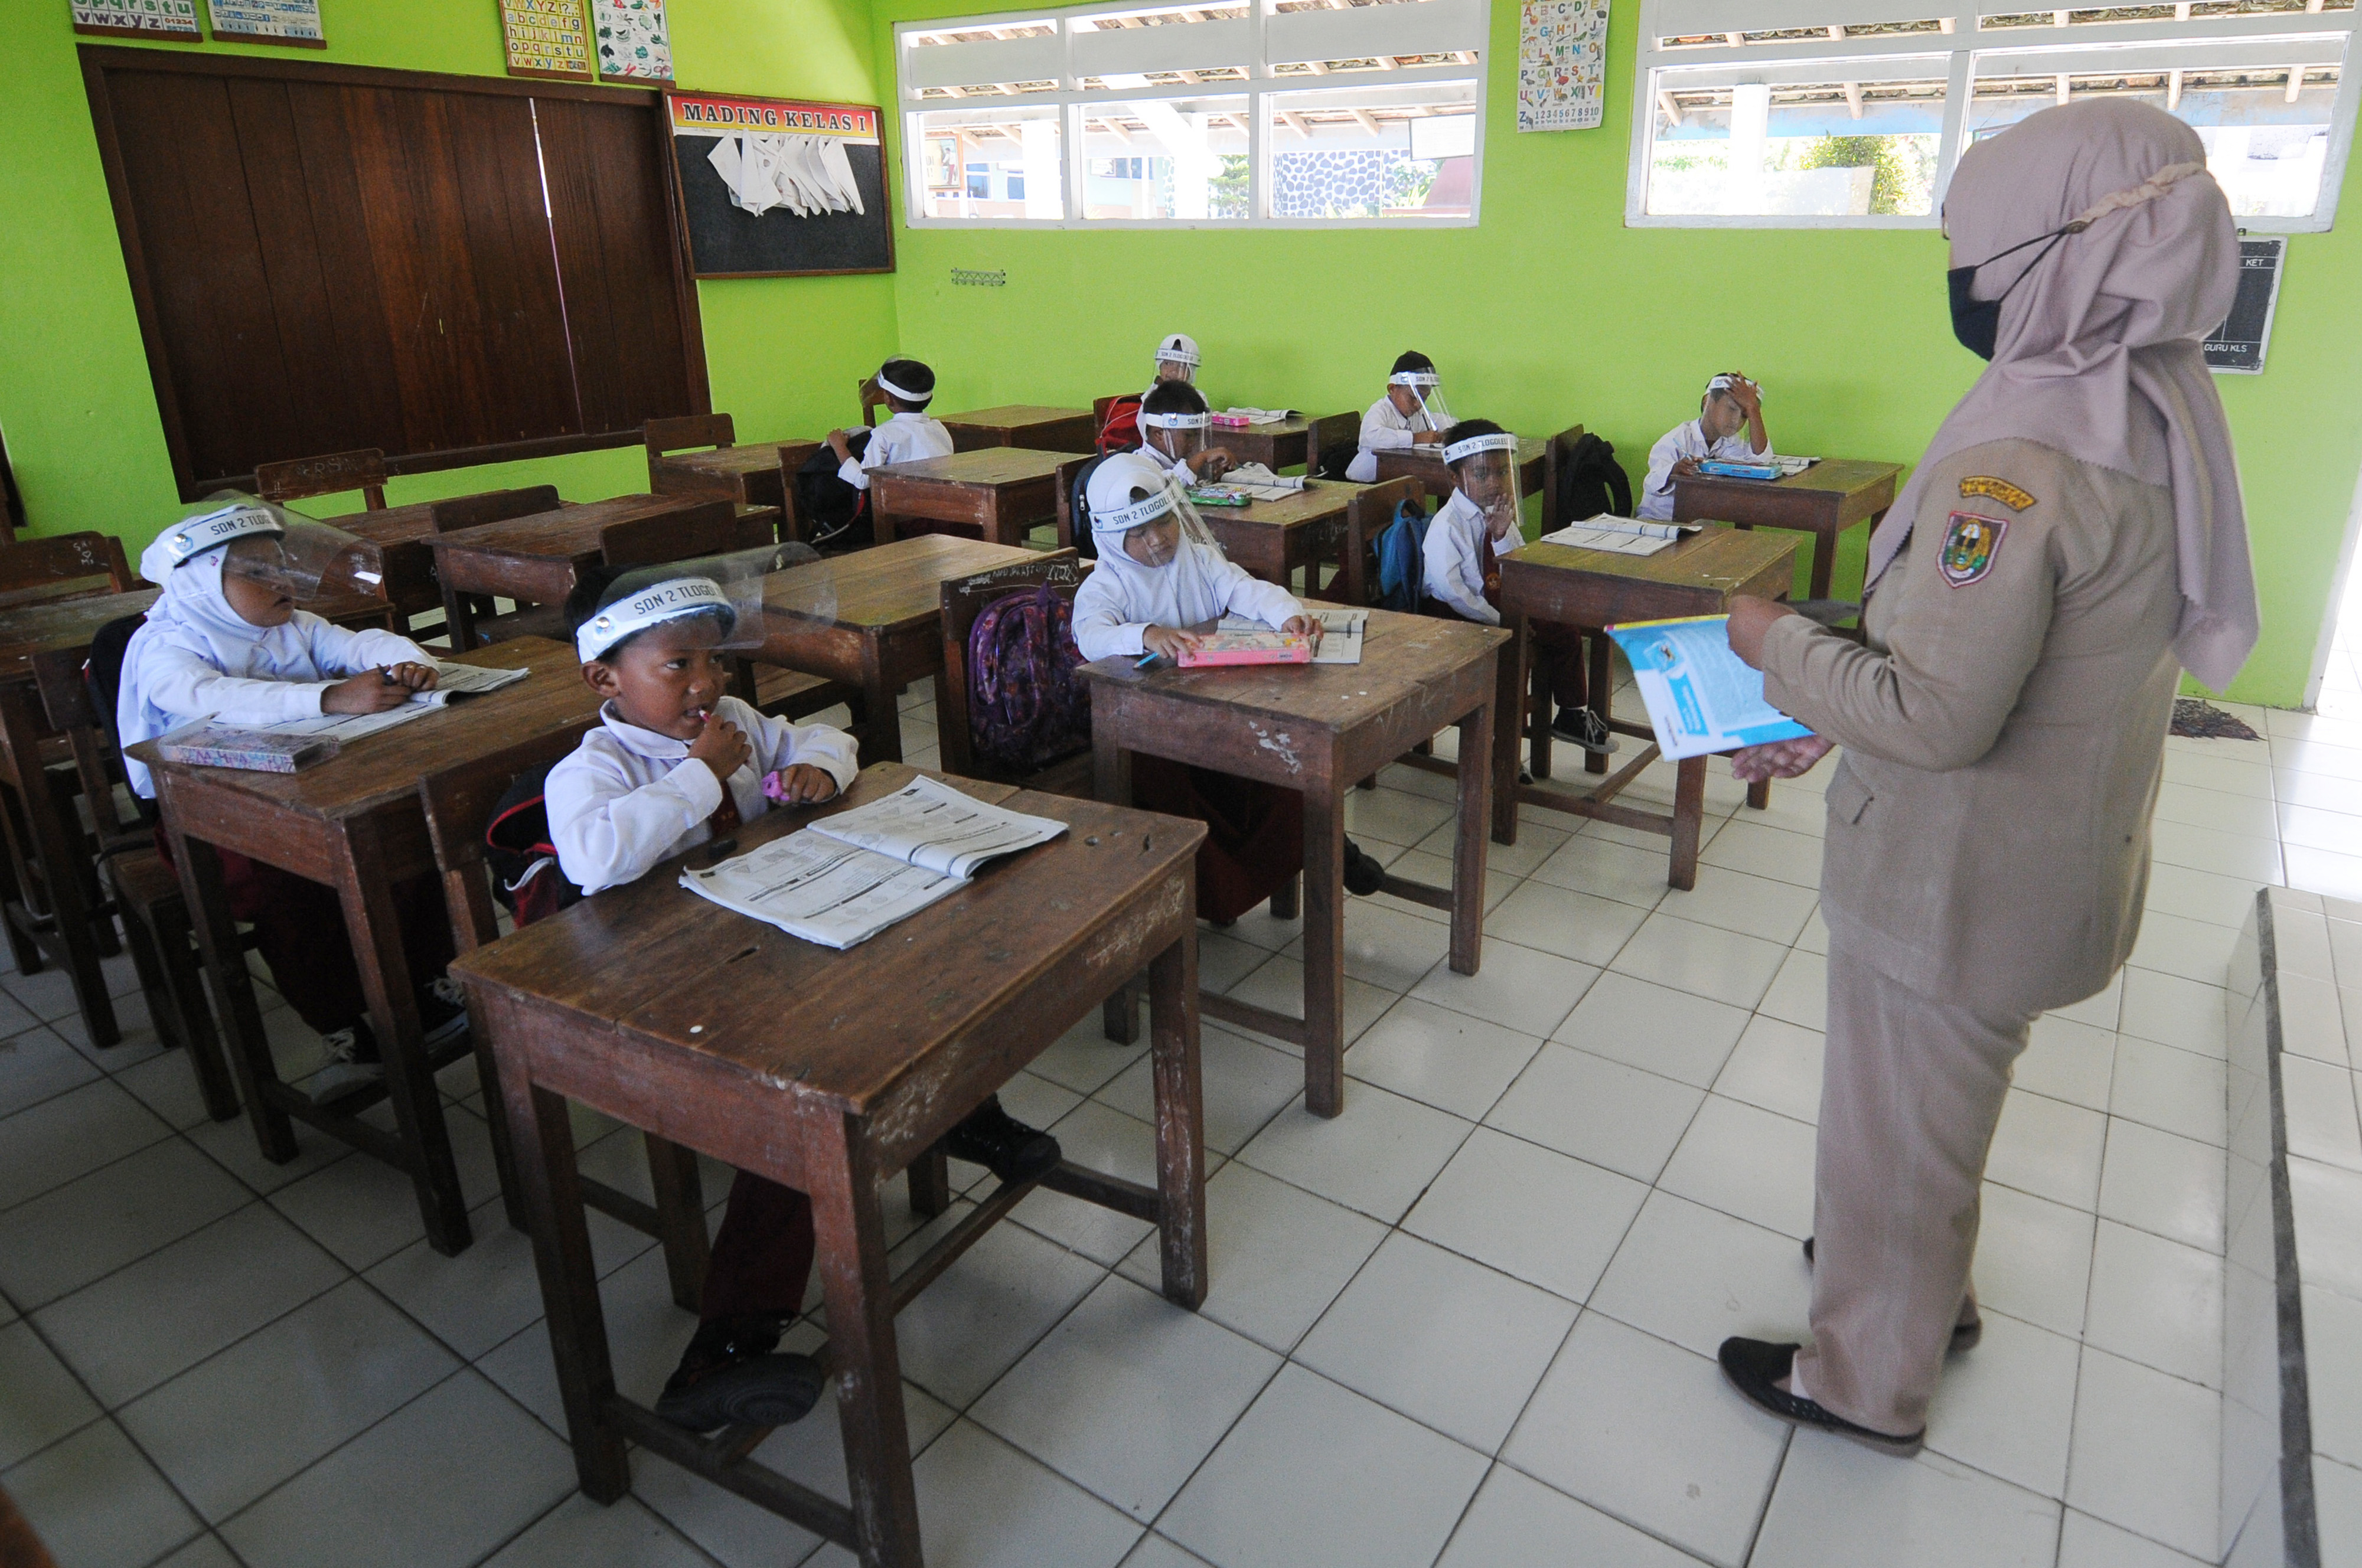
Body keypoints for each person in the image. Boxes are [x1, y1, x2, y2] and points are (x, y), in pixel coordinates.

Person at [1711, 99, 2255, 1456]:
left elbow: (1938, 710)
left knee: (1891, 1133)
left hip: (1951, 885)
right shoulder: (2149, 413)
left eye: (1970, 247)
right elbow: (2001, 661)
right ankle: (1923, 1295)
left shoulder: (2020, 463)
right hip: (2044, 867)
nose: (1957, 278)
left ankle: (1861, 1378)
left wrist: (1773, 643)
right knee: (1936, 1113)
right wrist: (1838, 689)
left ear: (2050, 253)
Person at [549, 555, 1066, 1432]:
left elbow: (824, 738)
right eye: (678, 666)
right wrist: (701, 776)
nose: (707, 683)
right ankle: (723, 1351)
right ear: (607, 676)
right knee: (794, 1114)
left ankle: (961, 1109)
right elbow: (594, 859)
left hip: (767, 940)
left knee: (915, 969)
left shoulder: (737, 718)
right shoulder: (595, 768)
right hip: (672, 991)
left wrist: (820, 772)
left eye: (713, 662)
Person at [118, 496, 463, 1106]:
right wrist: (332, 699)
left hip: (310, 789)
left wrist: (408, 664)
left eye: (280, 565)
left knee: (408, 832)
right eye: (255, 571)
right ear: (200, 583)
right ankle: (345, 1029)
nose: (279, 580)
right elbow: (211, 698)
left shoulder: (291, 625)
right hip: (210, 820)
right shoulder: (165, 646)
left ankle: (428, 989)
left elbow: (361, 646)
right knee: (292, 882)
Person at [1070, 453, 1388, 916]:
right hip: (1153, 730)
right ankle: (1221, 895)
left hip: (1216, 709)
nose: (1156, 540)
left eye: (1162, 523)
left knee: (1288, 765)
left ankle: (1333, 849)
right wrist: (1145, 634)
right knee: (1184, 798)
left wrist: (1288, 615)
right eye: (1137, 534)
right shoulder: (1107, 585)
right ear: (1110, 538)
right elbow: (1090, 635)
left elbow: (1247, 590)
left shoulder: (1198, 559)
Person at [1423, 421, 1610, 754]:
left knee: (1563, 627)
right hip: (1456, 616)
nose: (1494, 483)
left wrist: (1499, 536)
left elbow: (1516, 567)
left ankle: (1570, 713)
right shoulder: (1447, 526)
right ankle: (1503, 748)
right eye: (1481, 475)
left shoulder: (1498, 512)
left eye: (1501, 472)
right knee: (1515, 653)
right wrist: (1502, 623)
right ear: (1455, 478)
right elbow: (1453, 592)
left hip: (1498, 604)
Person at [1636, 373, 1771, 521]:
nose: (1736, 420)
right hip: (1658, 521)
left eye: (1745, 415)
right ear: (1707, 402)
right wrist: (1674, 470)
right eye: (1732, 409)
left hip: (1699, 525)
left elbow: (1760, 461)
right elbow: (1651, 483)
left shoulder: (1731, 442)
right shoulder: (1677, 439)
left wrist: (1753, 410)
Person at [826, 357, 952, 495]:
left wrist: (839, 446)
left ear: (888, 399)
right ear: (929, 398)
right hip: (940, 498)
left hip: (903, 507)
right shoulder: (939, 428)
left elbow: (863, 480)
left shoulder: (884, 434)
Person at [1346, 351, 1451, 483]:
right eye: (1413, 397)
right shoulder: (1379, 411)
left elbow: (1444, 421)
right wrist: (1416, 438)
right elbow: (1372, 436)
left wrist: (1450, 433)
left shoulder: (1418, 414)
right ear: (1392, 389)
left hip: (1395, 483)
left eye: (1424, 399)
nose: (1418, 404)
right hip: (1365, 485)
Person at [1137, 381, 1238, 486]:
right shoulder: (1141, 465)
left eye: (1197, 435)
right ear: (1159, 434)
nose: (1194, 442)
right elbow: (1167, 488)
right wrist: (1201, 458)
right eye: (1188, 436)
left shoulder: (1178, 458)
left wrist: (1213, 472)